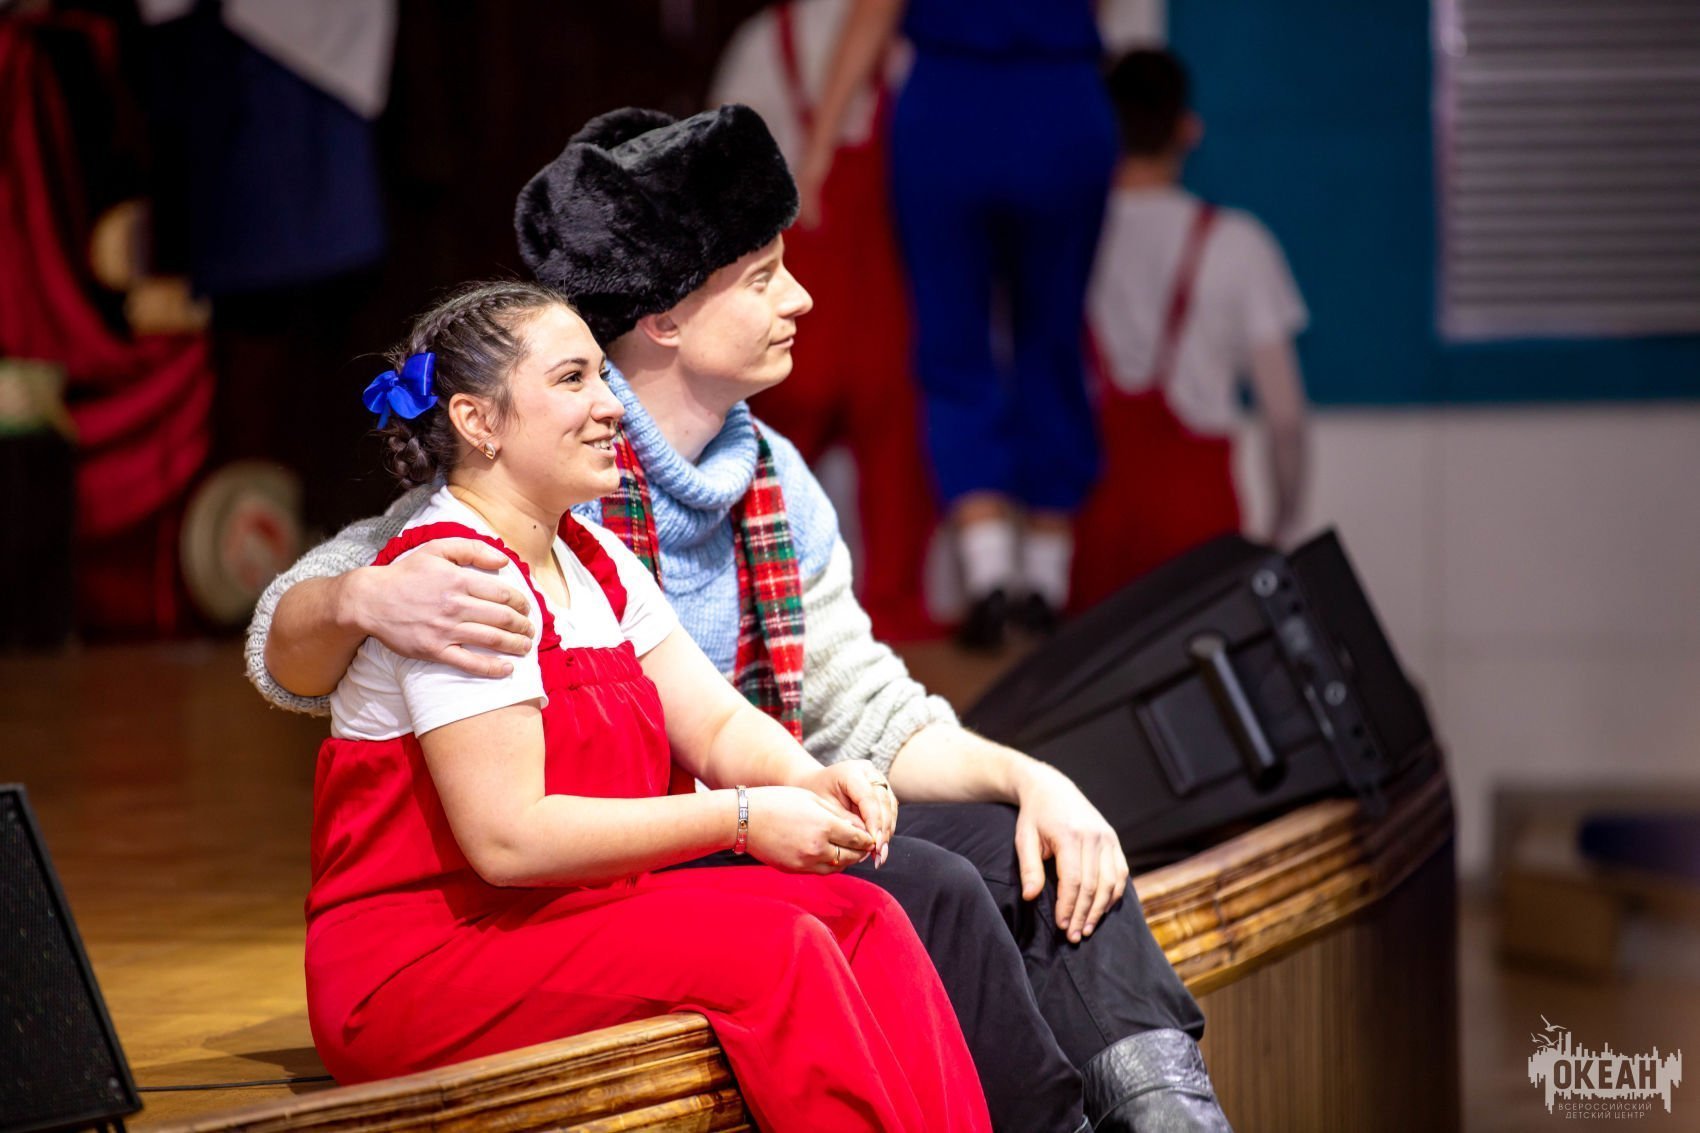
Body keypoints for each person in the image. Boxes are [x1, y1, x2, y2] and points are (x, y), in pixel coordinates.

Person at [249, 106, 1230, 1132]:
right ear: (663, 318)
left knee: (1007, 859)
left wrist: (1013, 777)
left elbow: (808, 705)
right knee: (910, 894)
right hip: (570, 876)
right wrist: (358, 598)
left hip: (665, 841)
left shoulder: (716, 498)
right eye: (762, 275)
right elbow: (301, 638)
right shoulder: (488, 519)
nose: (798, 298)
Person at [304, 278, 992, 1133]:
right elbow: (509, 839)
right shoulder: (457, 581)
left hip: (565, 913)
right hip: (425, 962)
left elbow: (715, 722)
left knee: (866, 916)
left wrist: (809, 780)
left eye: (602, 374)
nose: (611, 405)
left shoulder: (591, 555)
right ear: (479, 422)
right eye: (573, 380)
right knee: (777, 953)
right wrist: (743, 819)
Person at [797, 0, 1119, 647]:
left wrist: (821, 141)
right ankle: (1046, 584)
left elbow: (875, 11)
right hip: (1061, 95)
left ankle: (989, 576)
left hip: (951, 104)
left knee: (951, 340)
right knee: (1053, 339)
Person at [708, 0, 938, 642]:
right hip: (885, 268)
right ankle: (891, 604)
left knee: (775, 433)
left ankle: (757, 595)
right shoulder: (908, 40)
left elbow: (720, 161)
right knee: (893, 444)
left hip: (797, 262)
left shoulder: (765, 37)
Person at [1074, 49, 1310, 611]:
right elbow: (1285, 419)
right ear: (1187, 128)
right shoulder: (1239, 244)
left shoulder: (1065, 244)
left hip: (1093, 523)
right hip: (1200, 528)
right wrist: (1284, 523)